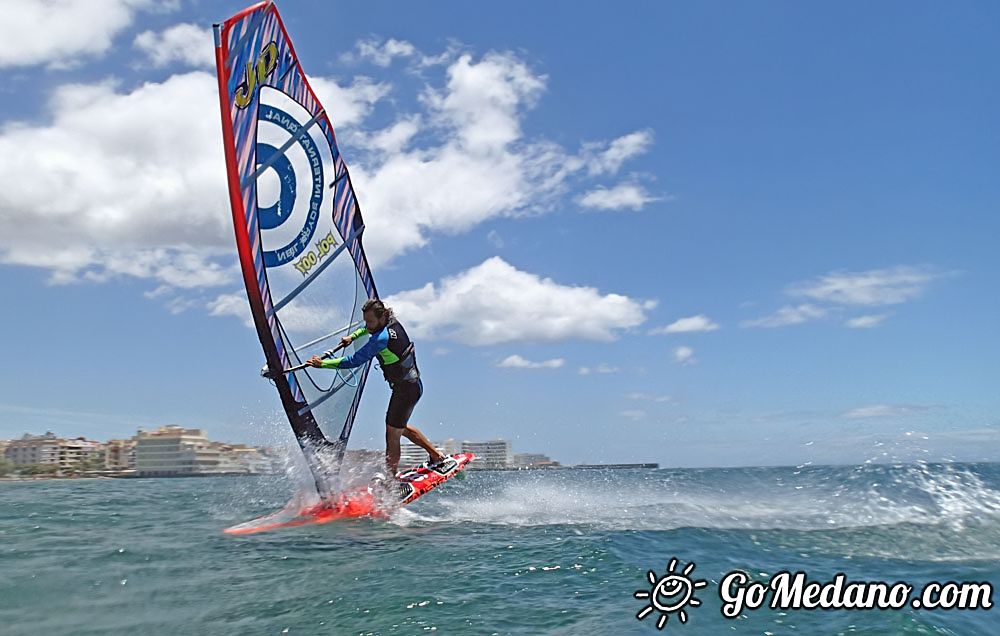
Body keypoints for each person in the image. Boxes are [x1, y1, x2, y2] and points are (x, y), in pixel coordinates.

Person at [307, 299, 449, 481]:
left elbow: (354, 360)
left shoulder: (381, 339)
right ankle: (436, 456)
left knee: (392, 433)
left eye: (370, 321)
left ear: (381, 317)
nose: (368, 325)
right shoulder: (391, 322)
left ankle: (391, 481)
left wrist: (323, 364)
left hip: (406, 390)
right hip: (411, 386)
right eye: (365, 321)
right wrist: (353, 336)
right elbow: (369, 329)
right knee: (399, 427)